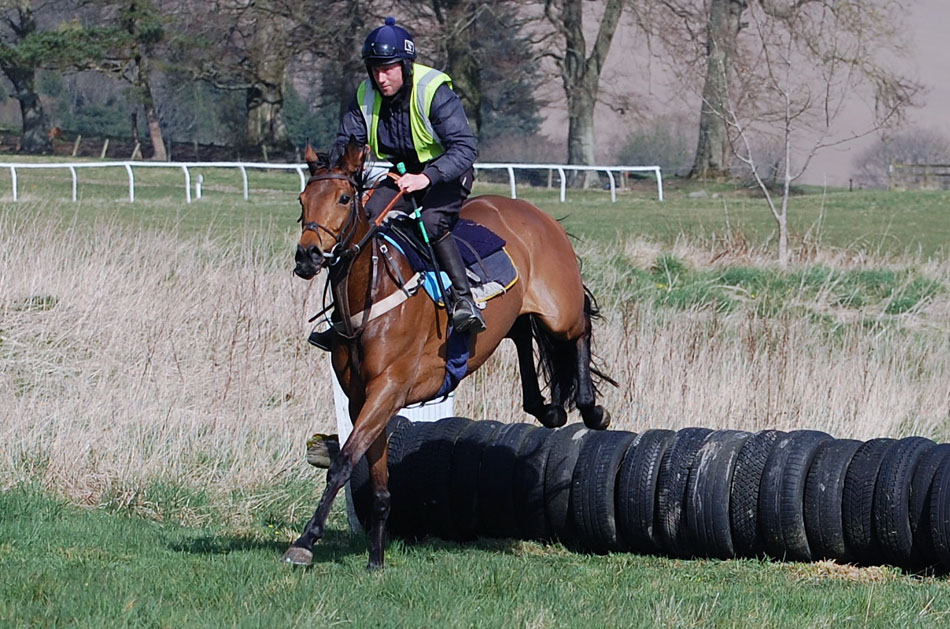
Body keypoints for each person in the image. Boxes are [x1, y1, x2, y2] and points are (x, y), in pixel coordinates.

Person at [311, 17, 484, 350]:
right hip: (401, 173)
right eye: (375, 69)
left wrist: (426, 177)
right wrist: (329, 169)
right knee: (360, 222)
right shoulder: (365, 94)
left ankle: (464, 301)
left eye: (388, 69)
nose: (380, 77)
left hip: (447, 172)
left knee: (431, 223)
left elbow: (465, 148)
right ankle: (342, 315)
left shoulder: (433, 90)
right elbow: (347, 141)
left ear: (405, 66)